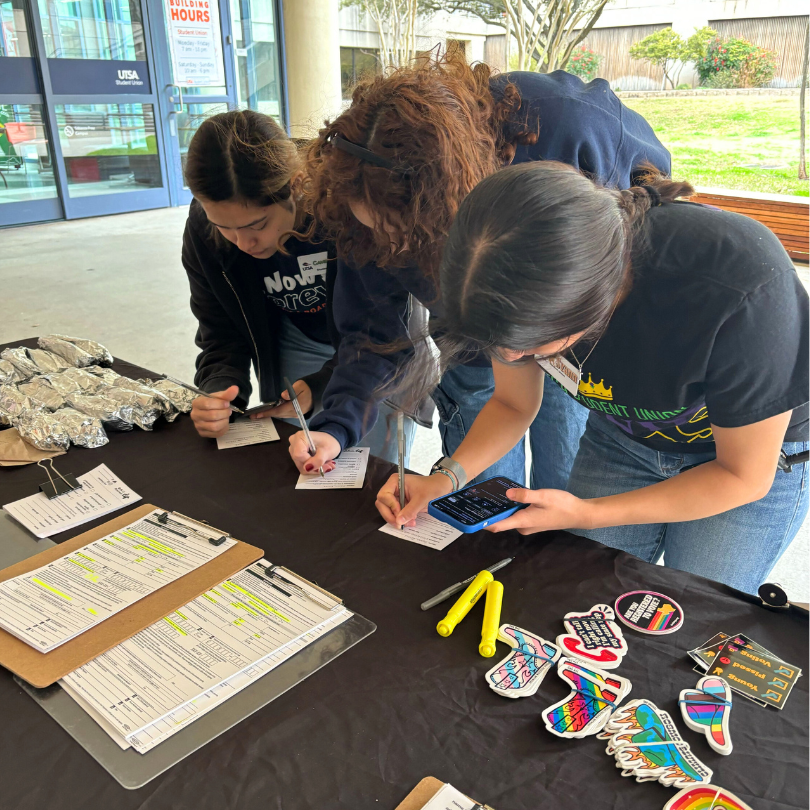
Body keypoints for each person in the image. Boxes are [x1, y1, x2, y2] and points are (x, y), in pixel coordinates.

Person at [376, 161, 809, 595]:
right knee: (584, 594)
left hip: (744, 456)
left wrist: (587, 512)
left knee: (693, 605)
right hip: (623, 437)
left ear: (592, 303)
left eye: (531, 346)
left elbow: (742, 476)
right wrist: (445, 478)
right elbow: (512, 404)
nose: (511, 357)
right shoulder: (507, 279)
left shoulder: (742, 288)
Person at [288, 53, 671, 492]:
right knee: (481, 494)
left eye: (413, 239)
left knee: (563, 483)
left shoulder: (568, 127)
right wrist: (336, 425)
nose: (396, 251)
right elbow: (372, 334)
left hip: (569, 341)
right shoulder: (362, 193)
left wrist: (569, 331)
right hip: (468, 337)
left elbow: (651, 204)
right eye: (382, 237)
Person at [181, 109, 417, 464]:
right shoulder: (203, 228)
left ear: (295, 184)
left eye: (257, 224)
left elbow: (378, 338)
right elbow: (219, 330)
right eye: (225, 228)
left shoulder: (349, 206)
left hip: (374, 345)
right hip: (294, 336)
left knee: (369, 461)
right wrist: (219, 391)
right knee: (306, 458)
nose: (243, 243)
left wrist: (327, 392)